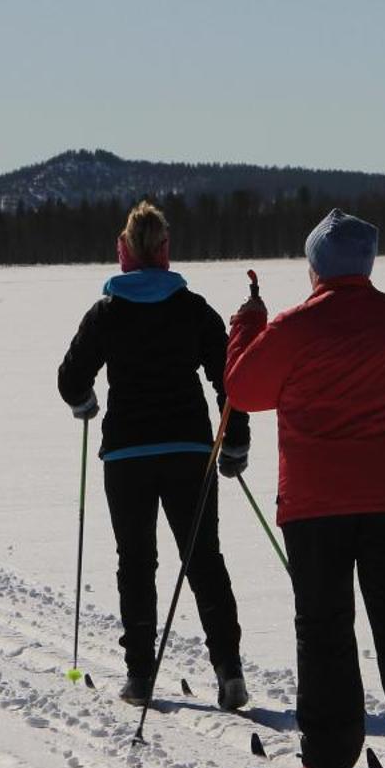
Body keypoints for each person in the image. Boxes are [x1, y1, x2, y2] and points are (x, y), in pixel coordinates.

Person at [224, 210, 385, 768]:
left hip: (317, 503)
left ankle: (329, 756)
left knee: (325, 624)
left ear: (315, 267)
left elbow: (242, 390)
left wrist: (246, 327)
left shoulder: (296, 326)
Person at [57, 201, 251, 710]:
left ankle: (140, 676)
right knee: (203, 559)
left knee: (137, 563)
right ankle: (229, 673)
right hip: (189, 451)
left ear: (123, 252)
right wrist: (234, 442)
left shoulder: (107, 312)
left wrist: (85, 403)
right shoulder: (192, 308)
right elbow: (232, 381)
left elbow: (70, 377)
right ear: (164, 252)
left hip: (127, 456)